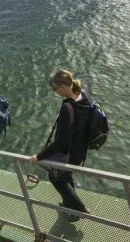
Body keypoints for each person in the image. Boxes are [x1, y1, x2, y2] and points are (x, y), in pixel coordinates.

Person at [28, 69, 91, 220]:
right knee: (66, 175)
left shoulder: (66, 109)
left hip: (67, 153)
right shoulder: (83, 97)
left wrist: (39, 156)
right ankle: (69, 206)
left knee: (55, 178)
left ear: (63, 86)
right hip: (79, 151)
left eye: (55, 89)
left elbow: (60, 142)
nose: (55, 92)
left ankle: (79, 210)